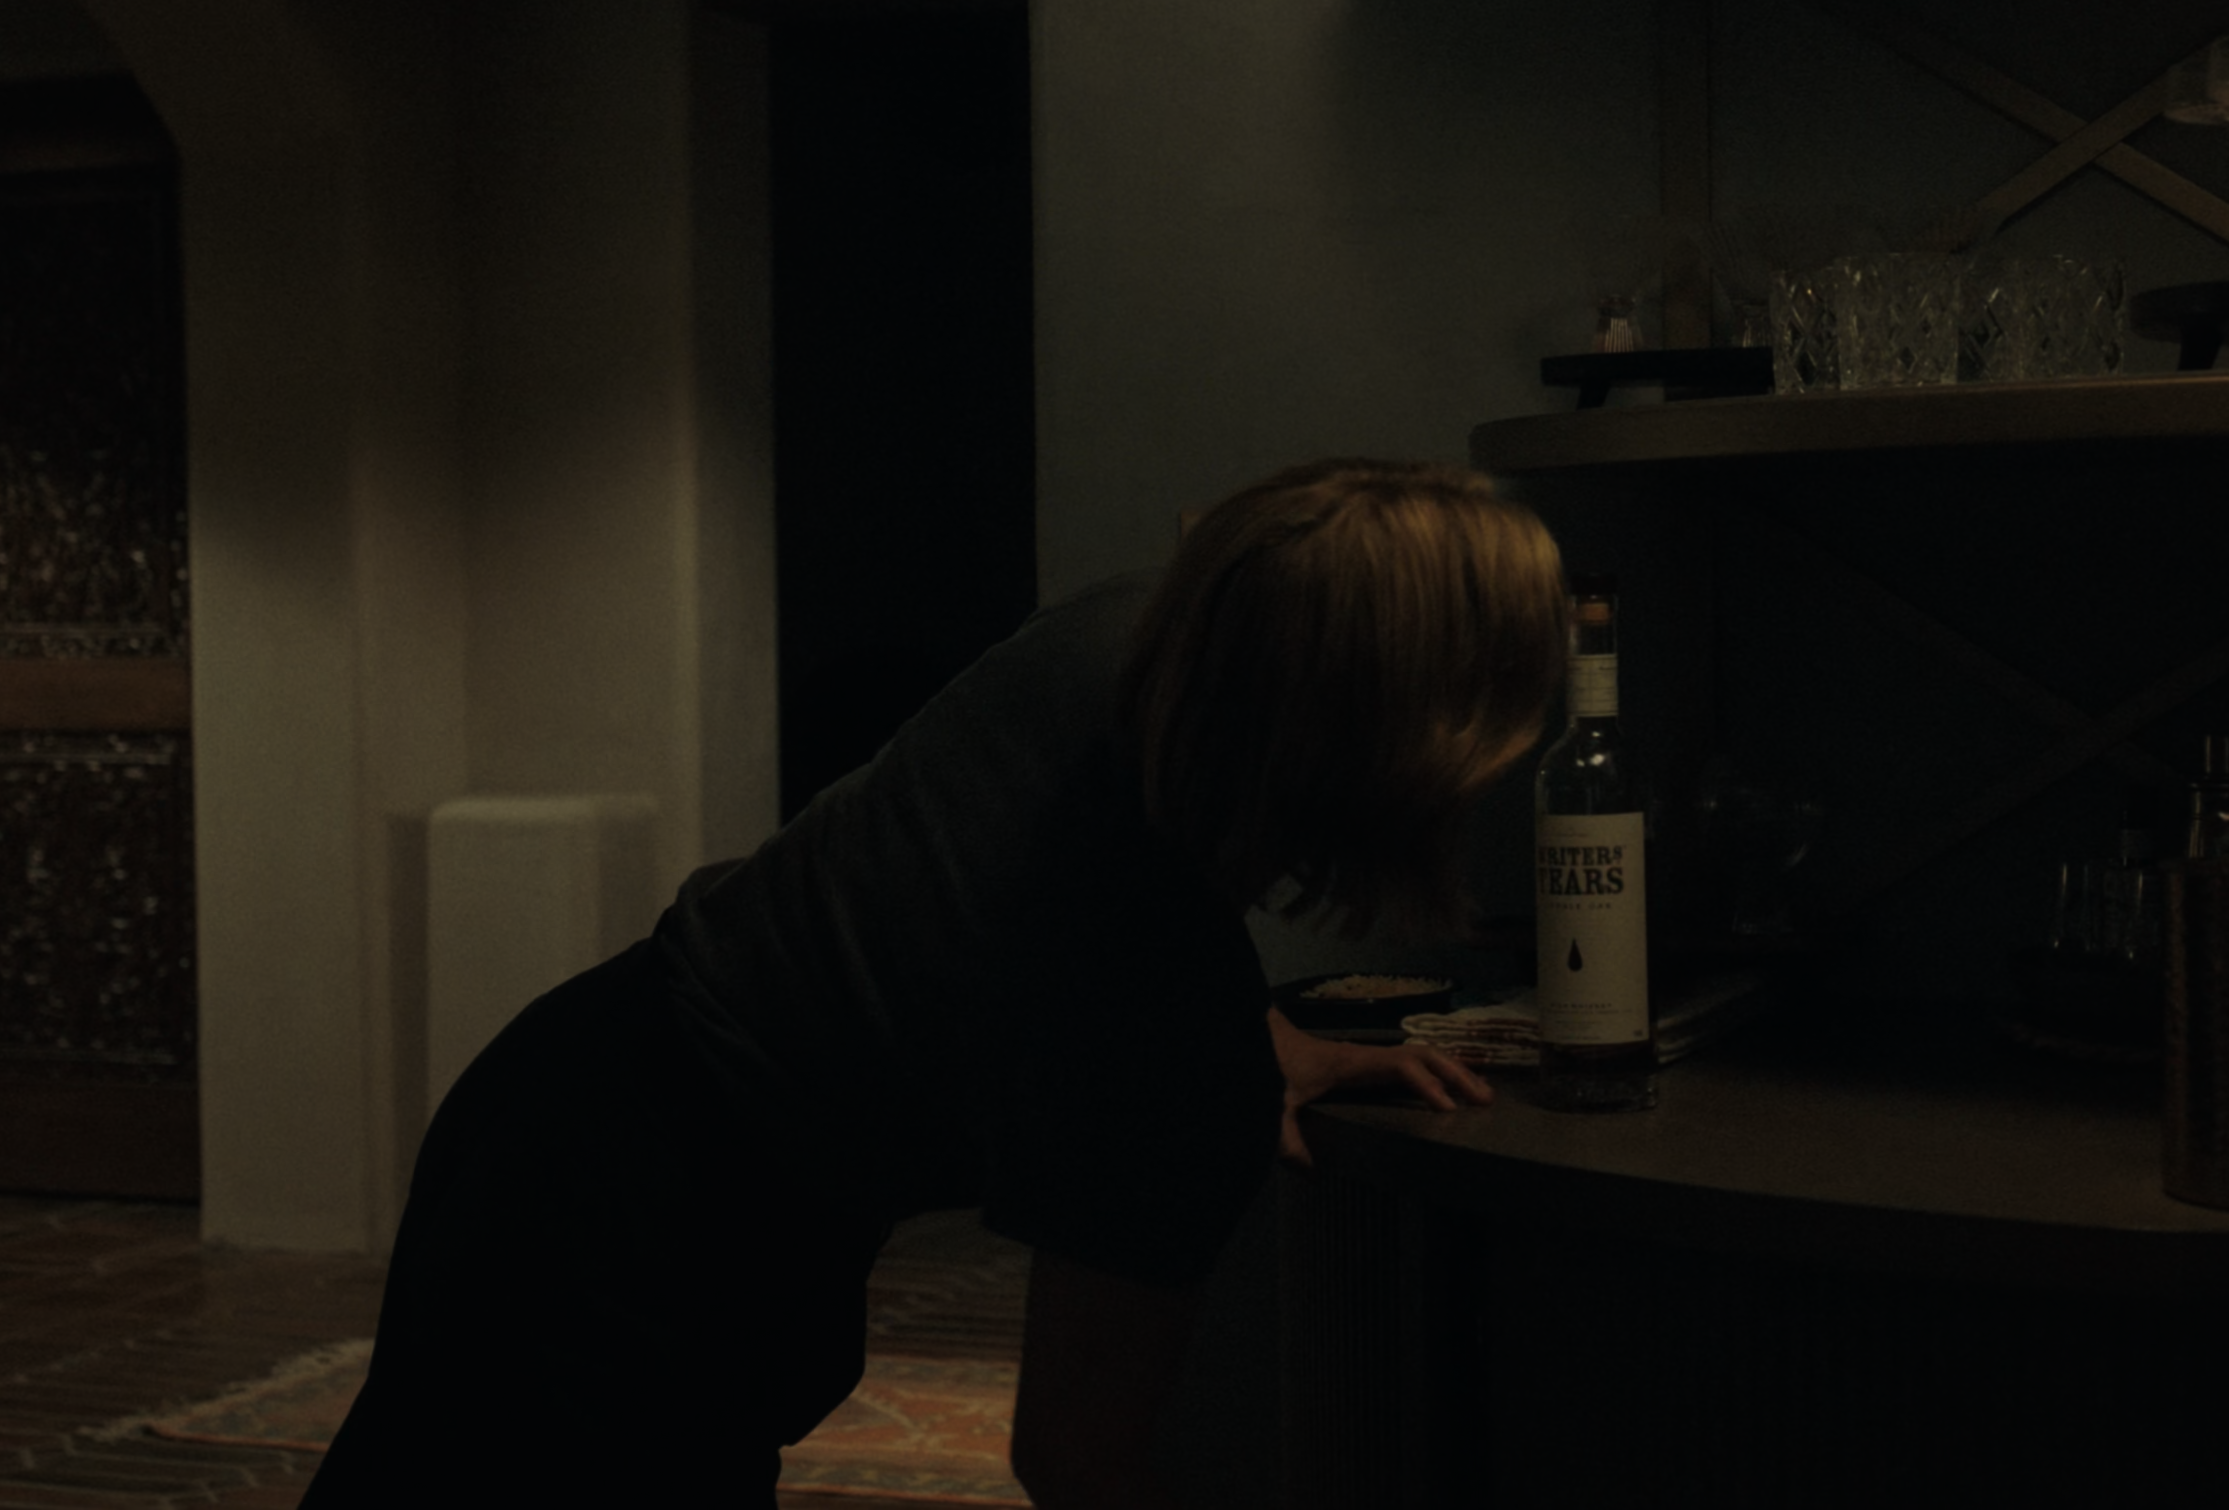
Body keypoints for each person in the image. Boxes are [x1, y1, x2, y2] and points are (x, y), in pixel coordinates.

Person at [299, 458, 1565, 1507]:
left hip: (560, 1094)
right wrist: (1233, 1059)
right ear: (1412, 754)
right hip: (654, 1250)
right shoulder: (1172, 1043)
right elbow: (1077, 1458)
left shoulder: (1124, 636)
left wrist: (1260, 1041)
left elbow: (1080, 913)